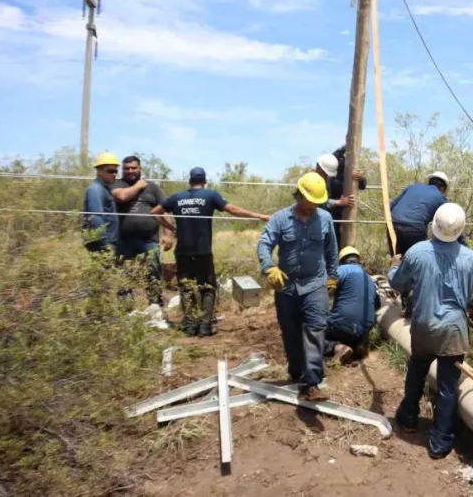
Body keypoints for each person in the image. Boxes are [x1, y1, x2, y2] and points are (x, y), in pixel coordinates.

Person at [389, 203, 473, 460]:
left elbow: (397, 283)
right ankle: (440, 442)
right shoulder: (469, 257)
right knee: (448, 386)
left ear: (434, 225)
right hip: (453, 330)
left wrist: (394, 266)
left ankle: (408, 417)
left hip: (423, 326)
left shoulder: (417, 252)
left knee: (417, 370)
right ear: (460, 229)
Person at [152, 167, 269, 337]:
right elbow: (233, 210)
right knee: (207, 287)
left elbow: (154, 213)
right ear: (204, 181)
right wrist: (259, 216)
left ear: (190, 181)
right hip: (203, 251)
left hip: (183, 251)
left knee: (186, 287)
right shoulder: (210, 195)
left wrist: (171, 228)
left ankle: (190, 326)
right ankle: (205, 326)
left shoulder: (177, 197)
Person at [258, 172, 339, 401]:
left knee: (316, 327)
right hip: (287, 287)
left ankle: (312, 382)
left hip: (315, 284)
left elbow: (331, 250)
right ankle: (297, 372)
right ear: (300, 195)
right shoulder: (280, 219)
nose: (314, 206)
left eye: (318, 202)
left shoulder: (324, 219)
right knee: (291, 333)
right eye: (311, 201)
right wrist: (268, 267)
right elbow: (264, 244)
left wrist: (332, 277)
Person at [111, 156, 169, 307]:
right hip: (124, 240)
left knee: (153, 270)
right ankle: (126, 308)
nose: (130, 171)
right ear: (122, 170)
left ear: (140, 169)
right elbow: (122, 196)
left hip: (149, 239)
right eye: (127, 168)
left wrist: (168, 235)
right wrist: (138, 186)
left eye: (134, 168)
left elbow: (166, 211)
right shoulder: (117, 184)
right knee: (123, 273)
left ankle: (155, 305)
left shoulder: (153, 188)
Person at [325, 245, 381, 364]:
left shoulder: (341, 270)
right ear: (358, 260)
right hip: (364, 330)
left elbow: (324, 290)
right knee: (350, 328)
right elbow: (377, 304)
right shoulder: (369, 279)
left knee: (311, 330)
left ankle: (337, 347)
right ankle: (358, 346)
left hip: (343, 326)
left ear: (341, 261)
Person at [388, 171, 461, 256]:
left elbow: (391, 206)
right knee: (416, 261)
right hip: (415, 229)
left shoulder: (412, 187)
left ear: (429, 182)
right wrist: (462, 243)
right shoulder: (441, 199)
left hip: (393, 225)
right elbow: (451, 223)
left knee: (396, 259)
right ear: (443, 188)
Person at [324, 146, 367, 247]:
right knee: (330, 242)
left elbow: (362, 186)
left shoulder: (345, 173)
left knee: (340, 242)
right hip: (328, 214)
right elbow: (319, 202)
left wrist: (360, 178)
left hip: (342, 214)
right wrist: (339, 202)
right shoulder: (326, 176)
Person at [82, 151, 119, 253]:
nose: (114, 174)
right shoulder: (96, 190)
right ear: (99, 171)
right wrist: (105, 245)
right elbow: (96, 218)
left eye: (116, 171)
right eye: (110, 171)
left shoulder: (105, 188)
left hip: (108, 241)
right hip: (102, 244)